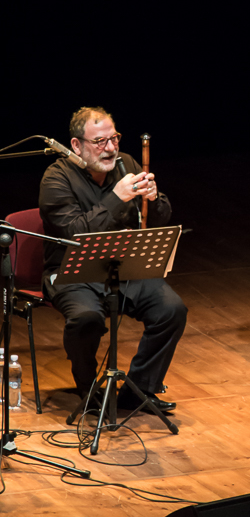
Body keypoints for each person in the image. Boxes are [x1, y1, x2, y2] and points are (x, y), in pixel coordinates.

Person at [39, 106, 187, 412]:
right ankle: (89, 392)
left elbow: (158, 219)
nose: (110, 148)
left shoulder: (127, 164)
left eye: (114, 138)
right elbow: (74, 234)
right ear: (76, 145)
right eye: (100, 141)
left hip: (123, 267)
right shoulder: (56, 178)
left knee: (171, 309)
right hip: (73, 274)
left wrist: (154, 200)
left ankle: (139, 392)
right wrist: (116, 198)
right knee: (85, 319)